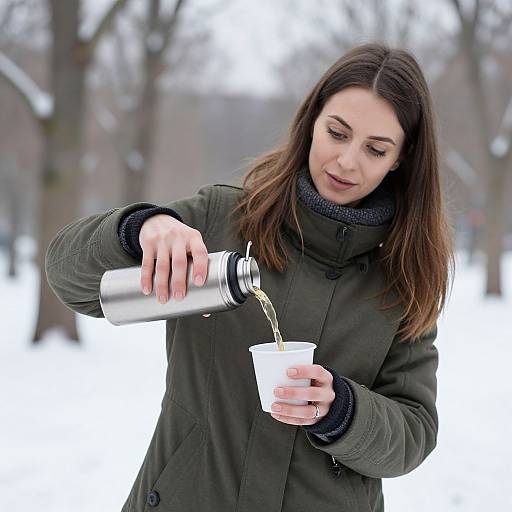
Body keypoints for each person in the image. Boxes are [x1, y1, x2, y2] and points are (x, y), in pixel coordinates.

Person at [45, 42, 455, 512]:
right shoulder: (221, 221)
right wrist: (139, 229)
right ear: (312, 121)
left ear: (400, 158)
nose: (346, 161)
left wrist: (343, 410)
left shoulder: (404, 276)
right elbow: (69, 278)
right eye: (337, 133)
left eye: (375, 149)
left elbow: (414, 432)